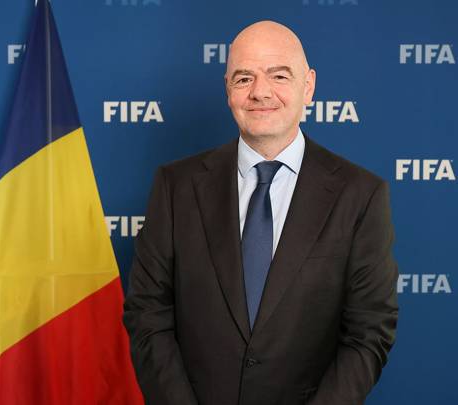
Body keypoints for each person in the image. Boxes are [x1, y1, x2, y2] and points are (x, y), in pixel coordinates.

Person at [123, 20, 399, 405]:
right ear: (227, 90)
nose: (260, 92)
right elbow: (148, 316)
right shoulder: (176, 186)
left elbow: (368, 335)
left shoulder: (361, 195)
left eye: (279, 75)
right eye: (243, 78)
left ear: (309, 87)